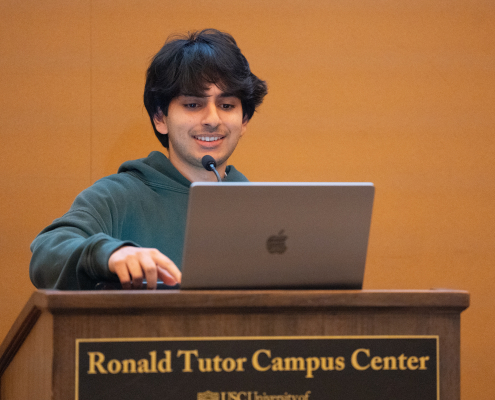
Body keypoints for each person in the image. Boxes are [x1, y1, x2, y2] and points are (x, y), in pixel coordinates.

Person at [29, 29, 267, 290]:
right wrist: (110, 254)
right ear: (160, 118)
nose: (212, 119)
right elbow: (46, 254)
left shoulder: (262, 210)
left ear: (244, 121)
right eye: (192, 105)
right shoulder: (117, 196)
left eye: (227, 105)